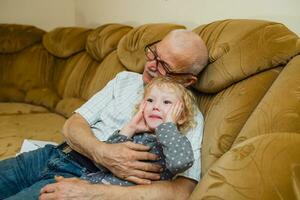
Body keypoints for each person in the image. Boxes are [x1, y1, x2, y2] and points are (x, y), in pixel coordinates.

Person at [0, 29, 208, 200]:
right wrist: (101, 151)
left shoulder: (185, 114)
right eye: (153, 53)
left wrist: (94, 192)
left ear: (187, 80)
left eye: (164, 66)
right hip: (53, 154)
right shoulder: (124, 80)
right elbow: (72, 124)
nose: (151, 65)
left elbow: (183, 190)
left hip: (85, 177)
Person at [81, 77, 196, 186]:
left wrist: (168, 126)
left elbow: (180, 163)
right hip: (92, 183)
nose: (155, 106)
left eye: (166, 102)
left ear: (181, 116)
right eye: (150, 100)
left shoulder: (174, 140)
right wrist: (130, 128)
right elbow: (103, 163)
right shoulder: (134, 135)